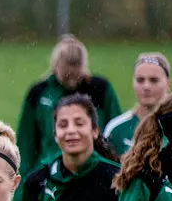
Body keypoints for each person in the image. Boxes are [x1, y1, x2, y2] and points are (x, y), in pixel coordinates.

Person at [17, 35, 122, 175]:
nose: (72, 82)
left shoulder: (100, 89)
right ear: (56, 65)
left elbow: (115, 131)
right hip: (49, 168)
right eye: (67, 76)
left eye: (76, 75)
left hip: (94, 167)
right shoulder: (39, 92)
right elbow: (26, 142)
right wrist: (24, 179)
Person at [104, 53, 171, 153]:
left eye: (154, 80)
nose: (146, 86)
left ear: (168, 83)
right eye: (140, 80)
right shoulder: (116, 129)